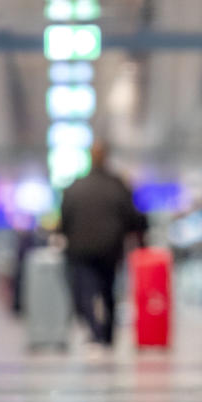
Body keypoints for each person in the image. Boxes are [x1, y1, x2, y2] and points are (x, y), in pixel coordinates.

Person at [60, 140, 146, 347]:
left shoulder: (74, 187)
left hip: (80, 250)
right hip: (110, 248)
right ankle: (107, 335)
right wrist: (138, 238)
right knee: (108, 290)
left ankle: (96, 331)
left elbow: (64, 219)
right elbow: (132, 217)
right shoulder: (117, 185)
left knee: (85, 292)